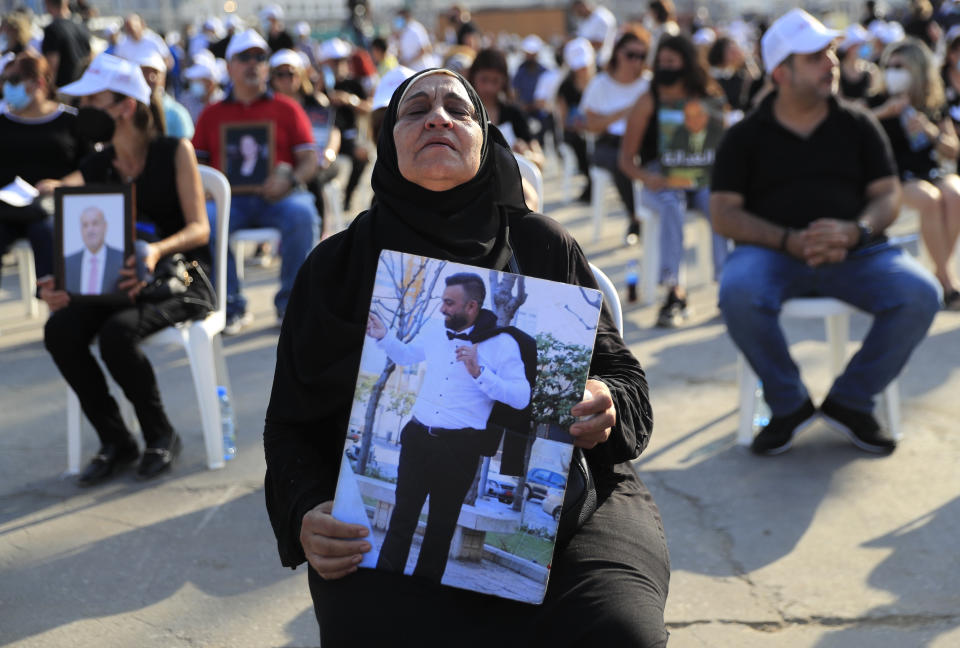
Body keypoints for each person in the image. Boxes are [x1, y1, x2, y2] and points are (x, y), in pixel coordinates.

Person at [263, 67, 669, 648]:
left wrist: (604, 401)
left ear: (484, 141)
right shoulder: (336, 268)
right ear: (389, 140)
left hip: (574, 510)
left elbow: (624, 378)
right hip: (385, 513)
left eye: (457, 109)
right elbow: (288, 426)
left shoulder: (542, 245)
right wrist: (308, 508)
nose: (437, 116)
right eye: (415, 109)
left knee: (617, 634)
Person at [710, 9, 941, 456]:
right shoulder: (745, 137)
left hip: (855, 253)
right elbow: (723, 214)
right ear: (781, 72)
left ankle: (852, 401)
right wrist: (785, 240)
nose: (831, 62)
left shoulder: (858, 123)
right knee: (737, 291)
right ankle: (788, 403)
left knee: (921, 293)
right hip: (771, 254)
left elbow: (887, 197)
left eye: (830, 52)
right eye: (815, 56)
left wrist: (856, 230)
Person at [38, 53, 213, 485]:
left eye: (94, 101)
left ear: (126, 106)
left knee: (118, 334)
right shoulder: (96, 164)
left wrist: (155, 251)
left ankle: (160, 434)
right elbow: (86, 234)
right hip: (119, 281)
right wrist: (62, 282)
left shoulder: (175, 151)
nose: (86, 112)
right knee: (60, 329)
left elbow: (199, 228)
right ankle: (116, 439)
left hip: (179, 278)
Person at [365, 272, 532, 582]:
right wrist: (383, 336)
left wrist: (480, 372)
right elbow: (406, 355)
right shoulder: (434, 328)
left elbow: (522, 397)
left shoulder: (501, 343)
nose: (442, 308)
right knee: (401, 520)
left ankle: (421, 601)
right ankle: (383, 590)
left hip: (459, 448)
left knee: (440, 529)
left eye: (448, 303)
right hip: (417, 437)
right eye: (442, 301)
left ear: (471, 306)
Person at [192, 29, 320, 332]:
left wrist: (289, 180)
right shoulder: (211, 114)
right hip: (229, 202)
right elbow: (195, 164)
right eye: (245, 57)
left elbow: (310, 160)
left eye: (260, 57)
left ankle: (290, 305)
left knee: (303, 214)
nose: (253, 64)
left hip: (280, 197)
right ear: (229, 66)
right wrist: (207, 190)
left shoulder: (288, 108)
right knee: (205, 221)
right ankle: (230, 306)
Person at [619, 33, 730, 328]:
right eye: (661, 61)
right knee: (671, 205)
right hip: (660, 180)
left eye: (672, 61)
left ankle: (726, 286)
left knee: (719, 205)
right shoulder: (648, 101)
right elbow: (625, 160)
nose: (665, 66)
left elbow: (722, 143)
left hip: (699, 178)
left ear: (687, 64)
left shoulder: (707, 96)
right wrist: (648, 178)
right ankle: (673, 290)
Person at [869, 38, 960, 310]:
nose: (893, 71)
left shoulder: (933, 102)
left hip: (930, 170)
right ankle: (946, 282)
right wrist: (883, 113)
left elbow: (953, 149)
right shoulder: (878, 100)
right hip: (895, 175)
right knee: (930, 200)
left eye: (900, 66)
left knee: (955, 195)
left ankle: (938, 270)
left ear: (917, 69)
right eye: (890, 65)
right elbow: (852, 128)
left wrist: (930, 132)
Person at [0, 52, 87, 288]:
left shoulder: (71, 121)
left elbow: (91, 168)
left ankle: (55, 301)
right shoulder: (3, 122)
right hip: (7, 211)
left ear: (38, 82)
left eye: (14, 80)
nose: (7, 87)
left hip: (53, 209)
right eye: (4, 81)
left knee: (47, 232)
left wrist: (61, 184)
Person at [580, 30, 652, 242]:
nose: (636, 61)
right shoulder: (600, 84)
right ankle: (636, 217)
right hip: (607, 145)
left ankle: (645, 215)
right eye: (631, 55)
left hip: (642, 143)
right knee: (622, 160)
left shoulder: (649, 84)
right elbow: (590, 125)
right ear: (618, 53)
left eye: (642, 56)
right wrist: (626, 112)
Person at [269, 48, 341, 235]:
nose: (286, 79)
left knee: (313, 177)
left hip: (321, 160)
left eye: (291, 73)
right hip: (285, 163)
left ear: (300, 75)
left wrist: (328, 154)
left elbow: (333, 130)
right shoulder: (267, 106)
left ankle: (318, 235)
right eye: (280, 74)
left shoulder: (316, 101)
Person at [468, 48, 545, 169]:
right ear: (473, 77)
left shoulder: (513, 113)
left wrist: (525, 154)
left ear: (504, 81)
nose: (489, 87)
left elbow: (540, 159)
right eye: (484, 79)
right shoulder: (461, 113)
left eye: (495, 81)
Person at [556, 38, 596, 204]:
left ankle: (593, 184)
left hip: (597, 130)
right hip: (575, 132)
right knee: (579, 142)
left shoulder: (599, 81)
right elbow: (563, 120)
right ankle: (590, 182)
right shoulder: (565, 87)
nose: (582, 69)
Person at [63, 206, 125, 294]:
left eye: (95, 223)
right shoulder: (67, 263)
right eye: (85, 225)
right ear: (81, 229)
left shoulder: (122, 259)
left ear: (105, 226)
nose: (90, 230)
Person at [135, 50, 193, 139]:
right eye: (145, 71)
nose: (151, 77)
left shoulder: (177, 113)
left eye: (155, 72)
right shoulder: (128, 111)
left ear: (163, 78)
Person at [41, 0, 91, 88]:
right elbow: (90, 57)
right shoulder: (81, 26)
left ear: (47, 4)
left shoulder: (52, 30)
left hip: (63, 90)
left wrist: (49, 91)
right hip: (81, 88)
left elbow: (52, 66)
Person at [837, 24, 880, 103]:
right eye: (861, 45)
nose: (865, 47)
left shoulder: (870, 71)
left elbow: (872, 98)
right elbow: (838, 99)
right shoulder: (837, 70)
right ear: (850, 48)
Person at [571, 0, 616, 67]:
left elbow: (600, 43)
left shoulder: (602, 18)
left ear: (583, 6)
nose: (577, 14)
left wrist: (577, 43)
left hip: (602, 63)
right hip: (589, 62)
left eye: (578, 10)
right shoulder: (585, 19)